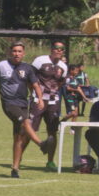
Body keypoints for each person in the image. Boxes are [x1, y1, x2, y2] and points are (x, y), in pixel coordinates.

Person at [0, 41, 50, 178]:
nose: (17, 53)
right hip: (9, 104)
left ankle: (15, 169)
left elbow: (35, 85)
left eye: (19, 51)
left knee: (19, 137)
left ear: (24, 53)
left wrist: (40, 99)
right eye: (14, 51)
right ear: (10, 52)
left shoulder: (27, 68)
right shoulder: (1, 66)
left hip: (23, 104)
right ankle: (41, 144)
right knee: (26, 122)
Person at [31, 41, 68, 171]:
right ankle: (19, 157)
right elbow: (31, 77)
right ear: (51, 49)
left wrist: (53, 94)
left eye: (62, 49)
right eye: (56, 48)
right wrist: (36, 94)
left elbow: (60, 83)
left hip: (53, 101)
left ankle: (50, 161)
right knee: (29, 129)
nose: (59, 51)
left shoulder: (63, 66)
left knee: (52, 131)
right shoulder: (40, 60)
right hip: (38, 99)